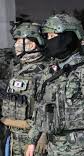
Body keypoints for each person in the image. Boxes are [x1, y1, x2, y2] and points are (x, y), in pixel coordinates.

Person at [25, 14, 84, 156]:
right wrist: (32, 141)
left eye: (53, 36)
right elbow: (40, 110)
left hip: (80, 148)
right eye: (48, 37)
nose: (50, 41)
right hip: (54, 147)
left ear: (68, 37)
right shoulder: (49, 73)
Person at [0, 22, 48, 156]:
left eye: (19, 41)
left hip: (34, 140)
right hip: (14, 137)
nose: (15, 45)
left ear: (32, 45)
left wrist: (41, 136)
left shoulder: (45, 72)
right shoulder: (18, 70)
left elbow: (47, 110)